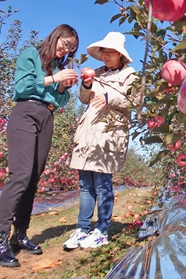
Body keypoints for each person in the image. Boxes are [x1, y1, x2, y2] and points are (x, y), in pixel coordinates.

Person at [0, 24, 79, 268]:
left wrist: (61, 86)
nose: (66, 50)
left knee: (33, 177)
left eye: (71, 49)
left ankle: (20, 234)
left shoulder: (58, 68)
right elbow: (22, 87)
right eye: (65, 44)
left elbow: (59, 102)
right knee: (20, 175)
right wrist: (54, 78)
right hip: (25, 112)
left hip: (46, 116)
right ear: (56, 36)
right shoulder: (31, 54)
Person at [63, 32, 137, 250]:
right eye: (104, 51)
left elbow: (134, 101)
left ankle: (101, 231)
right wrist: (86, 84)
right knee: (85, 185)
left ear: (120, 54)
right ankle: (82, 229)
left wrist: (107, 95)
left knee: (103, 185)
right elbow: (84, 99)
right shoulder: (96, 73)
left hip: (109, 133)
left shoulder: (130, 76)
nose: (106, 55)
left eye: (111, 51)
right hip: (88, 131)